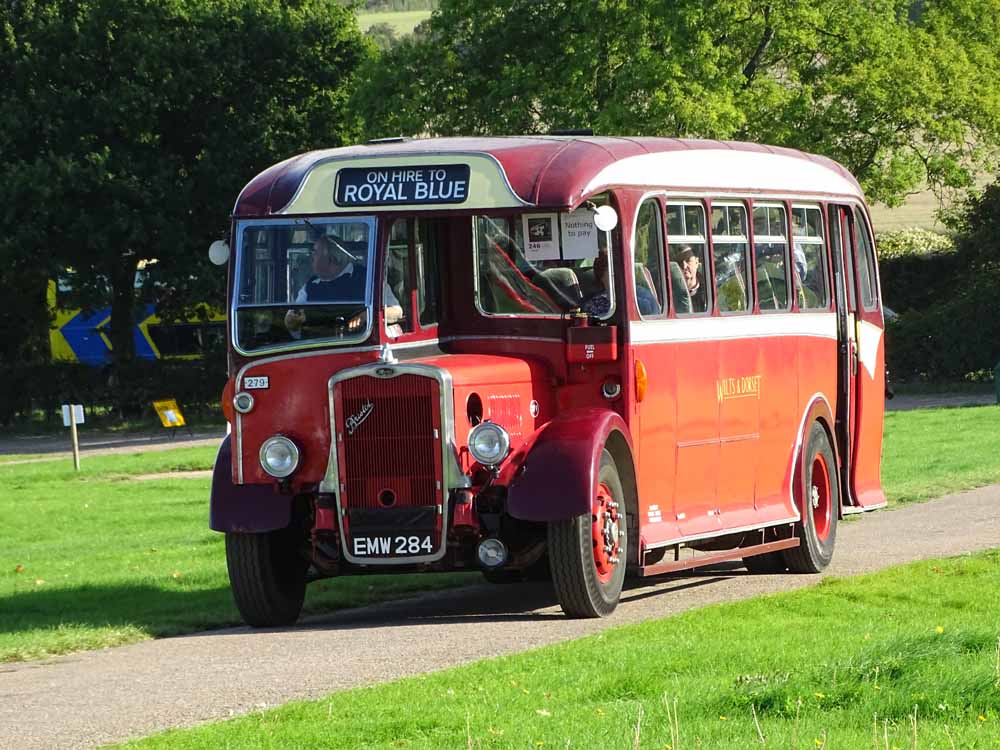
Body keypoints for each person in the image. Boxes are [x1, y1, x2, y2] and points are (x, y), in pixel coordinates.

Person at [285, 235, 403, 337]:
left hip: (358, 344)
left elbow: (397, 311)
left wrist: (367, 316)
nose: (311, 256)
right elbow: (293, 317)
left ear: (331, 259)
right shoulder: (310, 286)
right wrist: (291, 321)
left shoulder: (368, 279)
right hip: (317, 346)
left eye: (315, 252)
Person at [582, 250, 658, 317]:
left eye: (622, 268)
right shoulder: (593, 302)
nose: (618, 273)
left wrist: (624, 296)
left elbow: (651, 313)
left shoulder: (642, 294)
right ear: (601, 275)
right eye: (612, 270)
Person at [674, 246, 707, 312]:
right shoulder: (670, 293)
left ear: (696, 262)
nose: (684, 266)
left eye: (688, 260)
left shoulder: (709, 292)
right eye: (679, 262)